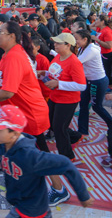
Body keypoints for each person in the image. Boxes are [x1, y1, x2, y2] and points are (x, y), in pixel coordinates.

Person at [0, 22, 71, 205]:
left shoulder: (14, 57)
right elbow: (1, 78)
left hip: (29, 114)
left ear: (12, 35)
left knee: (38, 153)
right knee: (1, 146)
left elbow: (8, 91)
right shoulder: (9, 54)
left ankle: (59, 190)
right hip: (18, 114)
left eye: (0, 32)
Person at [0, 105, 93, 216]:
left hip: (35, 210)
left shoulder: (31, 156)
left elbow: (66, 164)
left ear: (14, 134)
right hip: (18, 205)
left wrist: (83, 196)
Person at [44, 33, 87, 162]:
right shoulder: (58, 57)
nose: (55, 45)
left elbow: (81, 85)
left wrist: (59, 84)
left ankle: (67, 156)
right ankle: (76, 136)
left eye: (58, 43)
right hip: (55, 96)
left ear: (68, 45)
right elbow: (55, 73)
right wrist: (44, 73)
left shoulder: (74, 62)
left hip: (67, 100)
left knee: (59, 129)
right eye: (55, 43)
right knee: (51, 124)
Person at [74, 30, 111, 137]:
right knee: (83, 105)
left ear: (85, 39)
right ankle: (82, 131)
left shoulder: (91, 49)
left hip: (98, 81)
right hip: (88, 80)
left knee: (97, 107)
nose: (76, 42)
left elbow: (76, 62)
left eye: (77, 39)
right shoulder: (83, 48)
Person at [91, 14, 112, 85]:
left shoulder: (107, 31)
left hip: (106, 54)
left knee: (106, 71)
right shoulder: (99, 29)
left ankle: (109, 86)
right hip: (100, 53)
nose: (95, 21)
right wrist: (95, 22)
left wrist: (97, 40)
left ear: (102, 22)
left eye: (97, 19)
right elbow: (90, 26)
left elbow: (109, 45)